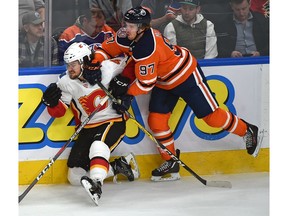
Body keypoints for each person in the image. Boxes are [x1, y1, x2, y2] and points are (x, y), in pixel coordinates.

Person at [88, 6, 262, 182]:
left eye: (132, 26)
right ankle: (171, 162)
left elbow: (145, 85)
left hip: (186, 76)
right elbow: (106, 49)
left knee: (212, 118)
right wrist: (95, 62)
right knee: (156, 121)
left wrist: (125, 93)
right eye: (126, 24)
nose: (126, 29)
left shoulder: (147, 47)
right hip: (164, 82)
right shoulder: (126, 35)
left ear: (143, 28)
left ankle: (248, 130)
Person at [41, 42, 140, 205]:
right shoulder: (66, 81)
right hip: (88, 126)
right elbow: (59, 112)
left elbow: (134, 62)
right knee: (74, 176)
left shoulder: (107, 68)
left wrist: (124, 86)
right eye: (68, 65)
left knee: (97, 146)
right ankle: (120, 166)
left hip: (113, 121)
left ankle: (96, 183)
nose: (69, 68)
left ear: (84, 61)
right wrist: (51, 104)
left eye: (73, 64)